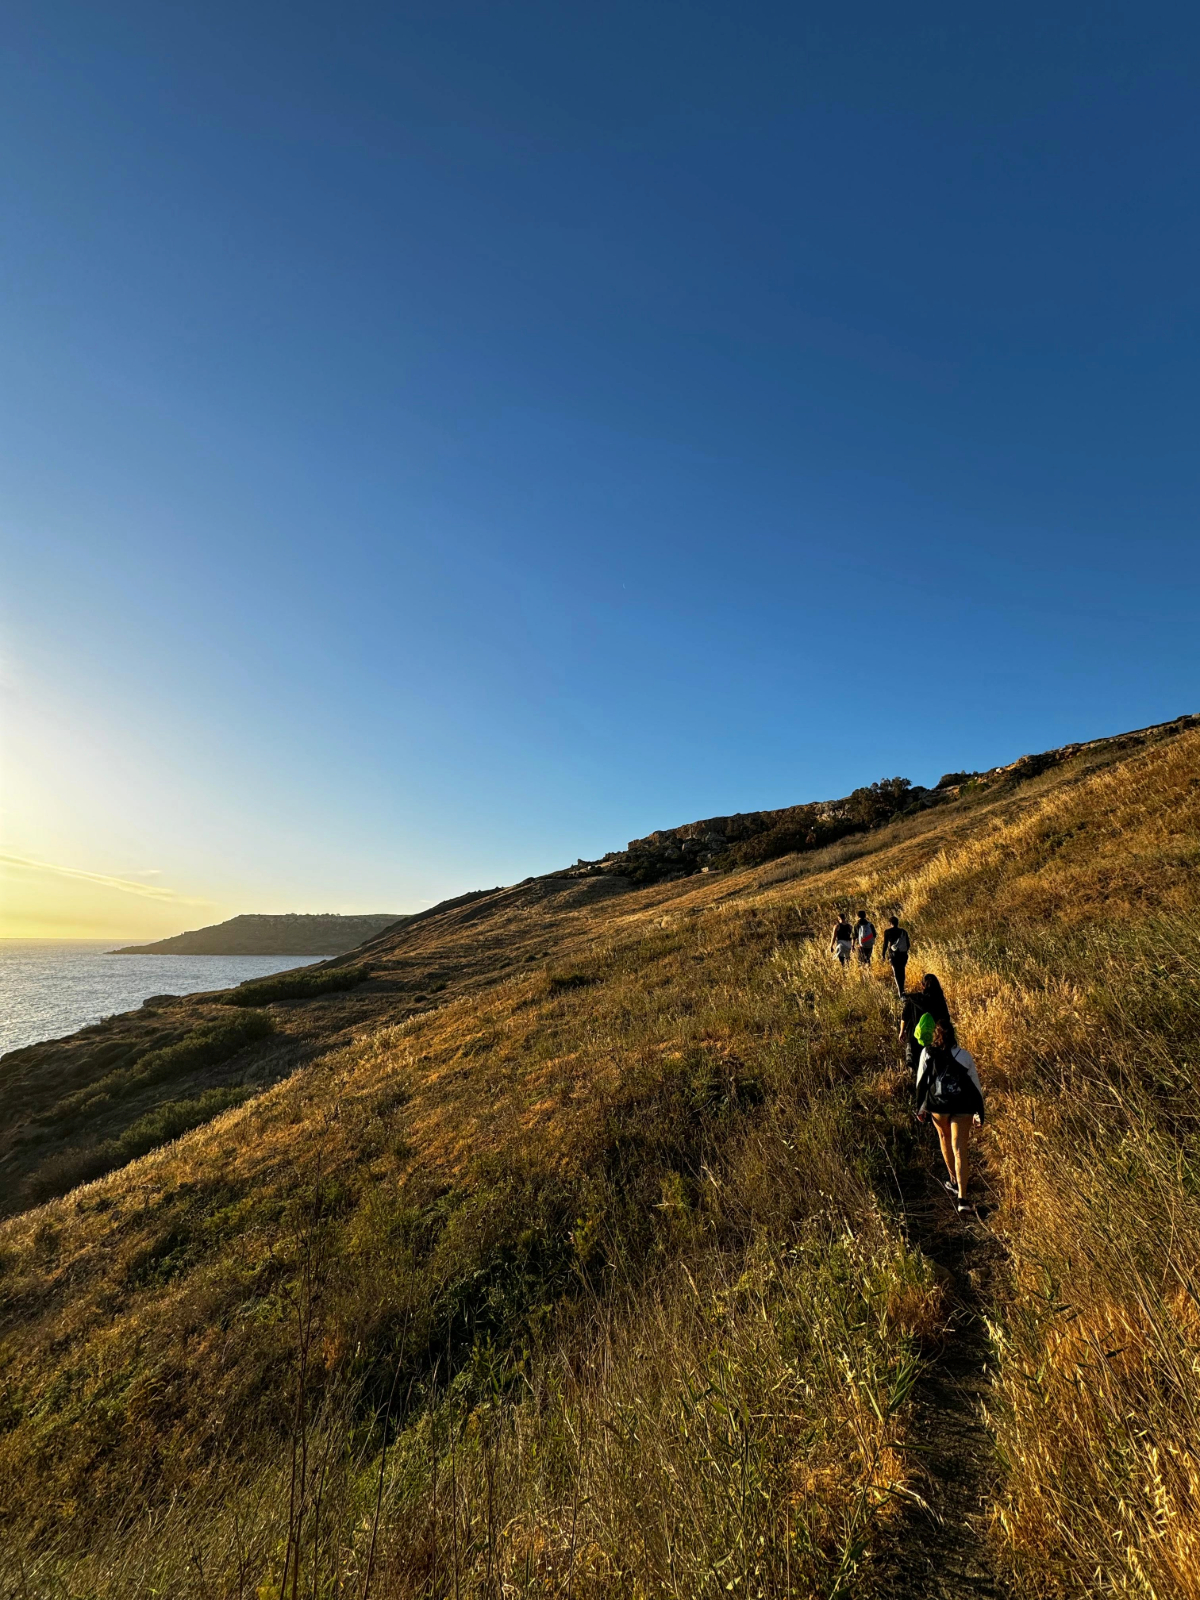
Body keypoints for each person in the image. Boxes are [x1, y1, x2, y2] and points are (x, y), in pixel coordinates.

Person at [915, 1017, 985, 1214]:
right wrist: (979, 1113)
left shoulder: (927, 1053)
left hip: (938, 1105)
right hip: (963, 1106)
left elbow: (921, 1082)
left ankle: (953, 1180)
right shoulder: (964, 1056)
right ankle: (963, 1199)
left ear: (935, 1036)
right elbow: (975, 1087)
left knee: (944, 1138)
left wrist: (920, 1109)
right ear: (953, 1035)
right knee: (960, 1148)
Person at [898, 973, 953, 1075]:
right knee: (932, 1070)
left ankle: (917, 1086)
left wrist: (902, 1031)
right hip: (933, 1040)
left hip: (914, 1039)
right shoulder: (940, 1002)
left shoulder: (913, 999)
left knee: (916, 1069)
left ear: (922, 985)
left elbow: (904, 1016)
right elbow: (946, 1021)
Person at [880, 915, 910, 995]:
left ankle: (900, 992)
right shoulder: (904, 932)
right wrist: (903, 951)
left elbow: (885, 944)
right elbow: (908, 944)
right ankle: (902, 989)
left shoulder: (887, 932)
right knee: (902, 972)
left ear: (890, 923)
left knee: (896, 973)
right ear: (898, 923)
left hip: (894, 955)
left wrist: (883, 955)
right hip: (903, 955)